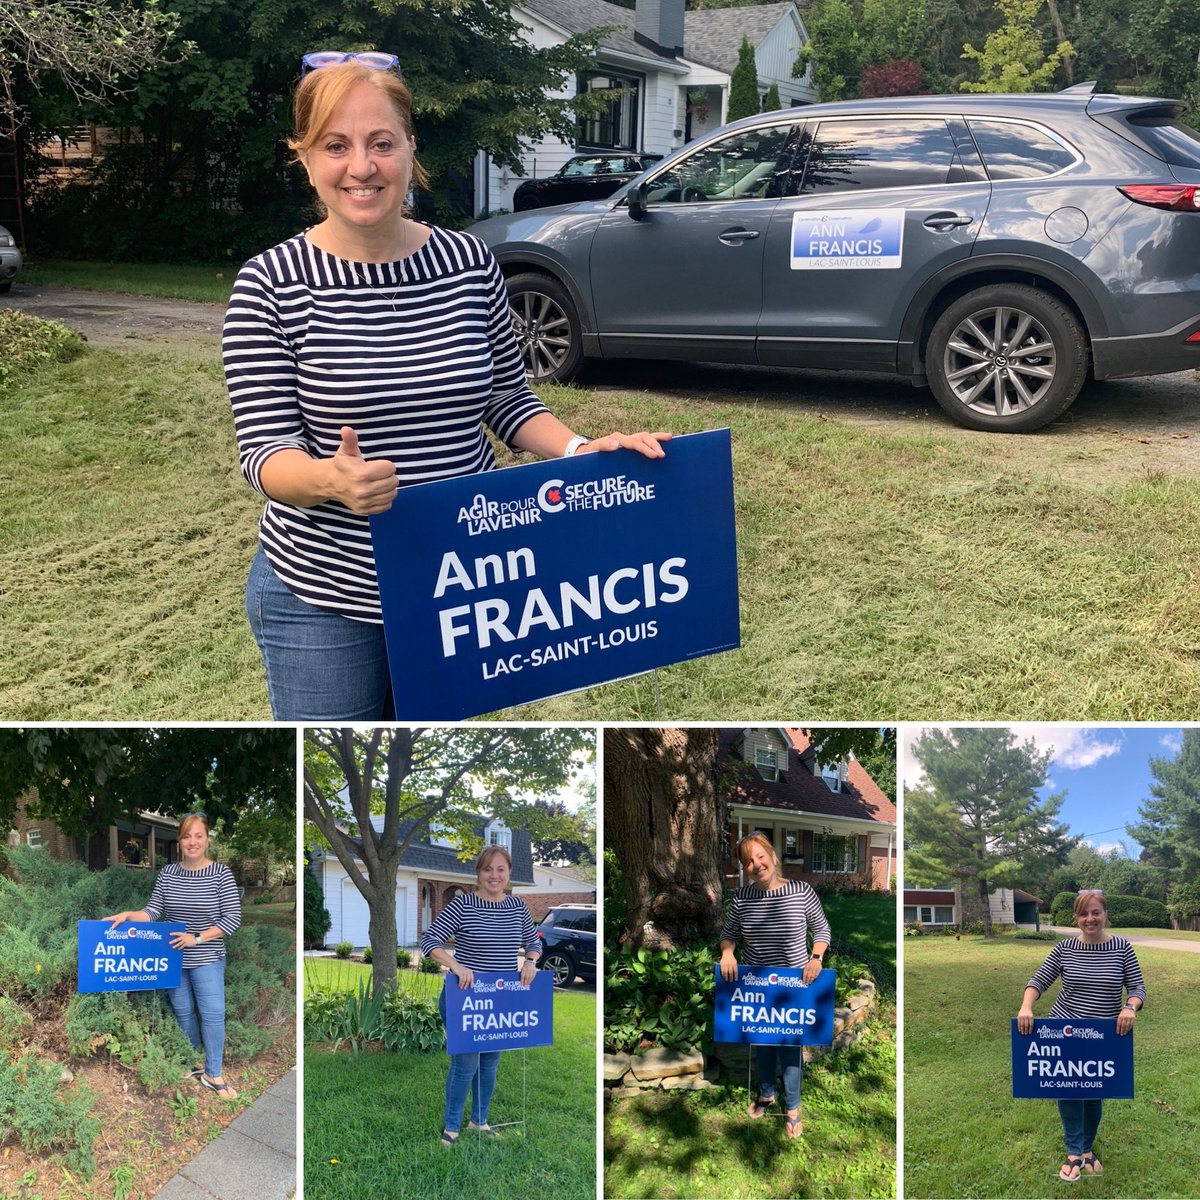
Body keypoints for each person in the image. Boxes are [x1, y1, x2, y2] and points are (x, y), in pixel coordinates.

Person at [223, 51, 670, 721]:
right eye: (335, 145)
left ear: (410, 147)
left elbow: (506, 398)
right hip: (323, 592)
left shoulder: (468, 263)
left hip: (458, 586)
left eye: (381, 143)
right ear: (305, 157)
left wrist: (581, 453)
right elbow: (263, 454)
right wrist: (329, 480)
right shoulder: (270, 284)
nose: (362, 166)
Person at [104, 813, 243, 1099]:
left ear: (207, 840)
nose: (192, 842)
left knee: (213, 1014)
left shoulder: (220, 874)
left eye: (198, 836)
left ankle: (213, 1073)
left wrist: (198, 938)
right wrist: (131, 915)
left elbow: (232, 919)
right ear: (179, 840)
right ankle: (192, 1061)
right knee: (183, 1011)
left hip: (207, 956)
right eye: (186, 836)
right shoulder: (168, 874)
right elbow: (153, 910)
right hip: (173, 958)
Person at [1016, 889, 1146, 1182]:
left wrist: (1130, 1007)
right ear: (1076, 917)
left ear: (1105, 914)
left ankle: (1087, 1149)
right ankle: (1075, 1151)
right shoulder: (1064, 948)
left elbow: (1138, 987)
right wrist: (1026, 1006)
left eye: (1096, 912)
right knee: (1069, 1089)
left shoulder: (1122, 948)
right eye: (1084, 914)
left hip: (1103, 1034)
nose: (1090, 919)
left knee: (1094, 1092)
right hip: (1066, 1031)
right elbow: (1039, 980)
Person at [419, 845, 540, 1145]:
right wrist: (456, 965)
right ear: (478, 873)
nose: (494, 875)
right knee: (465, 1065)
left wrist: (531, 961)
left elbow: (534, 942)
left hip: (501, 1001)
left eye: (500, 869)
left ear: (509, 873)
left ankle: (479, 1121)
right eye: (488, 869)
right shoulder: (464, 905)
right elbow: (430, 941)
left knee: (489, 1065)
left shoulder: (518, 908)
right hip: (466, 998)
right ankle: (451, 1127)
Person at [719, 832, 831, 1139]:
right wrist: (727, 951)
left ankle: (792, 1107)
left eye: (760, 856)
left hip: (795, 983)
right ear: (744, 868)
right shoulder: (742, 898)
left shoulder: (801, 890)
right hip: (757, 984)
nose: (756, 865)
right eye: (748, 861)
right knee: (764, 1044)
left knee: (791, 1049)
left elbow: (821, 929)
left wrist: (816, 957)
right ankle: (767, 1093)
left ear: (774, 856)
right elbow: (729, 933)